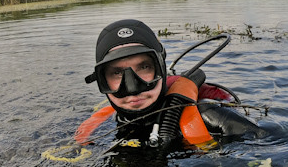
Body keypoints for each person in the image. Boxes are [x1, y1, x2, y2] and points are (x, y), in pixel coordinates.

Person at [77, 19, 265, 150]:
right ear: (101, 80)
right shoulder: (99, 126)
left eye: (144, 67)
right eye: (117, 72)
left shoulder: (207, 115)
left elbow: (271, 145)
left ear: (161, 69)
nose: (132, 88)